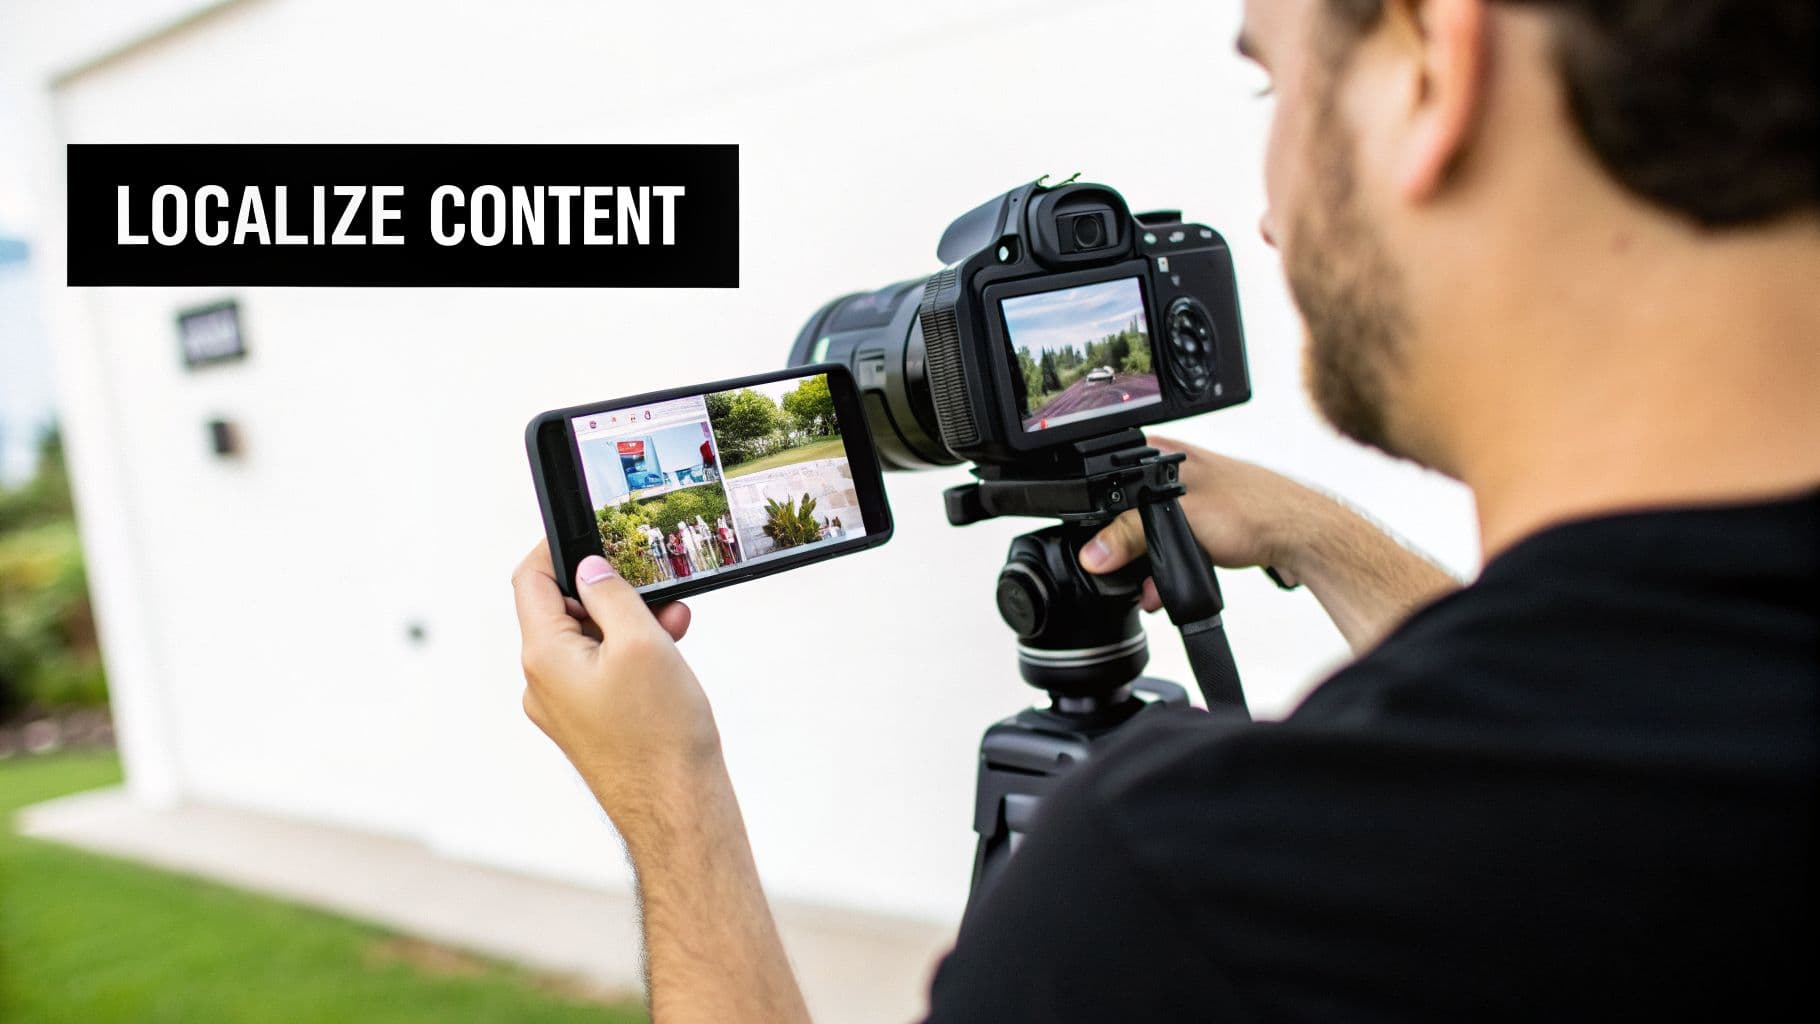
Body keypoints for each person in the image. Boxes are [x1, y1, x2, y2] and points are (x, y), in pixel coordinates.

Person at [510, 1, 1817, 1019]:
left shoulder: (1194, 888)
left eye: (1273, 83)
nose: (1261, 215)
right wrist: (1322, 536)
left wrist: (670, 798)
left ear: (1431, 64)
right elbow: (1579, 722)